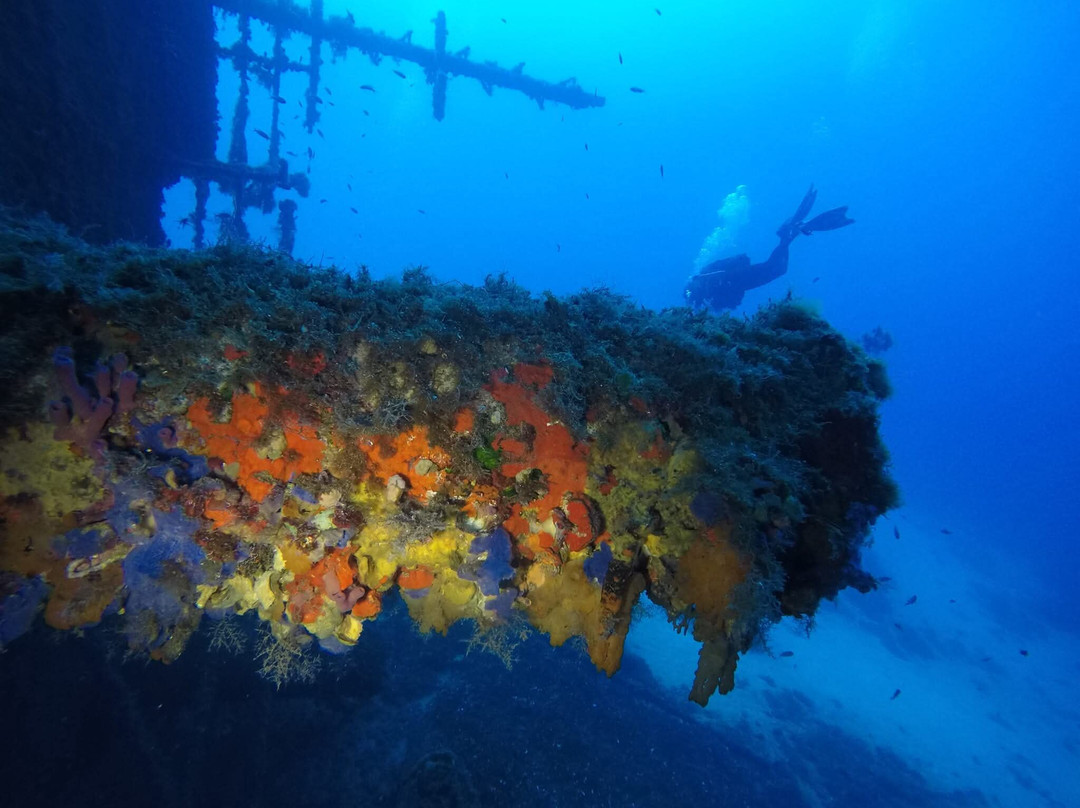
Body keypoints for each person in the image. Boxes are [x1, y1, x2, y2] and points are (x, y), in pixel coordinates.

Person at [684, 185, 853, 311]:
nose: (692, 303)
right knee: (777, 269)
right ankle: (790, 233)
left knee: (775, 268)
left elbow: (722, 284)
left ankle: (788, 233)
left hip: (738, 278)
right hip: (740, 280)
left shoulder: (702, 284)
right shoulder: (704, 286)